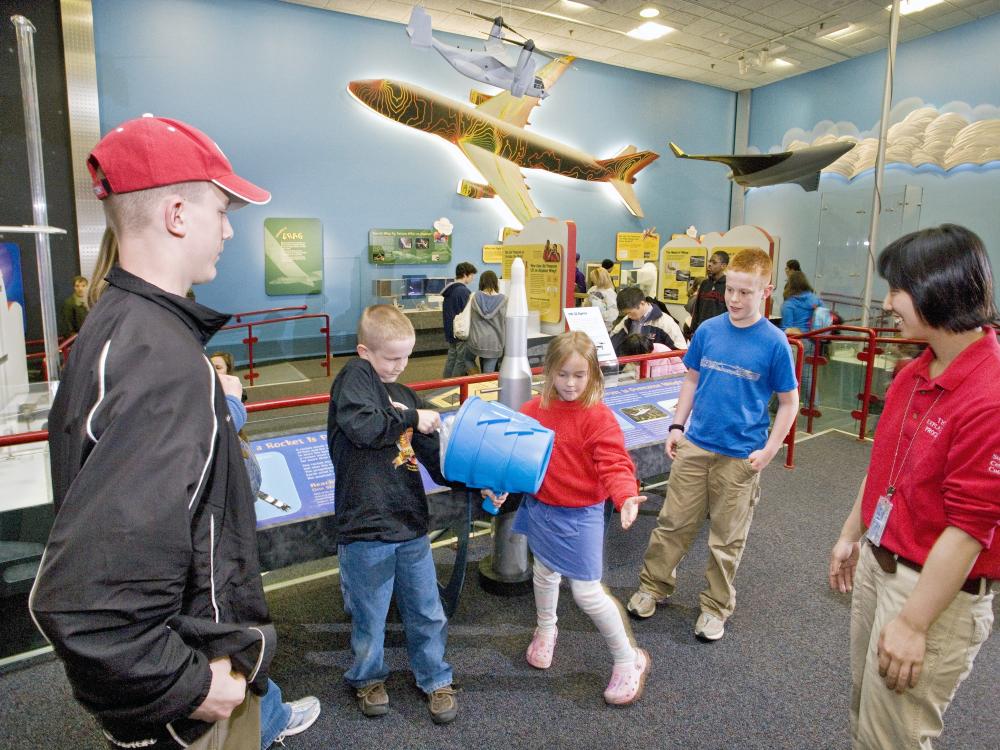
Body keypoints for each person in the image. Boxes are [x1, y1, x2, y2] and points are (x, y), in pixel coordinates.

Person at [30, 115, 276, 748]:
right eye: (221, 210)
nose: (226, 229)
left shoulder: (115, 328)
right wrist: (195, 687)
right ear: (175, 213)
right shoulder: (163, 362)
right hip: (185, 704)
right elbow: (82, 604)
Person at [828, 224, 999, 750]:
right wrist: (850, 533)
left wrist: (914, 622)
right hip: (882, 565)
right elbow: (886, 468)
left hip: (932, 593)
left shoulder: (989, 394)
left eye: (896, 289)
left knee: (893, 738)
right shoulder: (916, 370)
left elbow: (971, 528)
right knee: (866, 717)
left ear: (935, 290)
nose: (886, 302)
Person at [626, 248, 799, 642]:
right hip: (696, 445)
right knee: (672, 524)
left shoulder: (774, 343)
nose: (734, 300)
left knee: (726, 540)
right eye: (730, 290)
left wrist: (771, 449)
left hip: (740, 456)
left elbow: (789, 403)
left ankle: (715, 607)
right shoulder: (708, 331)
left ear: (765, 291)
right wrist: (675, 425)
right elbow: (690, 379)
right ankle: (653, 587)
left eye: (745, 292)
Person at [489, 331, 650, 705]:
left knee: (588, 592)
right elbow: (514, 457)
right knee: (544, 571)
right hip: (543, 508)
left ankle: (629, 660)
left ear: (593, 374)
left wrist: (625, 495)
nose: (571, 383)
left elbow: (614, 463)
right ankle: (546, 630)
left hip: (581, 514)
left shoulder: (598, 417)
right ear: (548, 372)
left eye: (580, 375)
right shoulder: (532, 410)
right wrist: (499, 485)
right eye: (563, 375)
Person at [327, 305, 460, 724]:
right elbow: (365, 427)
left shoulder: (403, 395)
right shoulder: (354, 379)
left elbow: (432, 456)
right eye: (391, 357)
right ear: (364, 351)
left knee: (426, 610)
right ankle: (367, 678)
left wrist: (473, 476)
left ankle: (436, 678)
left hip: (408, 523)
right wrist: (413, 417)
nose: (400, 366)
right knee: (369, 615)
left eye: (406, 357)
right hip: (365, 526)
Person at [781, 269, 823, 405]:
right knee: (807, 373)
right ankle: (812, 404)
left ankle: (809, 404)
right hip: (814, 340)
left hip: (797, 343)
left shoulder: (789, 304)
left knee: (787, 374)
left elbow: (786, 328)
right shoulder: (815, 299)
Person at [611, 285, 684, 353]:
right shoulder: (627, 320)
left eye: (630, 313)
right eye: (626, 314)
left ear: (642, 303)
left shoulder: (665, 322)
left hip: (657, 365)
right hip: (632, 364)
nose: (628, 316)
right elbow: (612, 341)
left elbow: (681, 350)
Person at [466, 269, 507, 374]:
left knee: (467, 359)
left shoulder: (474, 297)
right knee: (488, 374)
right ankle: (483, 384)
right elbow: (506, 322)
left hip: (476, 339)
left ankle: (475, 377)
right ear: (496, 282)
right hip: (495, 342)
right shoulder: (504, 300)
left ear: (481, 282)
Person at [441, 261, 477, 378]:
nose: (472, 278)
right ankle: (454, 385)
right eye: (471, 275)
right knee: (461, 360)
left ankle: (445, 382)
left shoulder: (450, 290)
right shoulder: (463, 292)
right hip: (460, 332)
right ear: (465, 274)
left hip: (451, 330)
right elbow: (467, 313)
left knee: (452, 357)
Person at [684, 250, 728, 339]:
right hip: (702, 331)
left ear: (723, 266)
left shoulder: (728, 285)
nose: (709, 265)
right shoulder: (705, 284)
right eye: (710, 261)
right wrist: (693, 330)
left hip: (719, 334)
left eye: (714, 262)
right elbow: (697, 309)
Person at [619, 332, 686, 380]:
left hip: (670, 380)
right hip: (650, 384)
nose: (636, 362)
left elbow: (678, 365)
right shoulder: (635, 361)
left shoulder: (661, 349)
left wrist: (681, 377)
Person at [587, 266, 618, 331]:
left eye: (593, 278)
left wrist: (599, 315)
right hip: (590, 324)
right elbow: (587, 303)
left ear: (600, 278)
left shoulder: (610, 292)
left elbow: (613, 313)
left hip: (604, 327)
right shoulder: (592, 289)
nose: (592, 280)